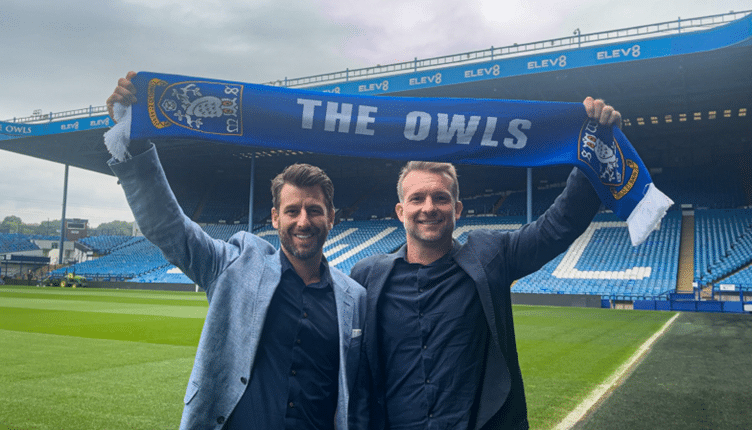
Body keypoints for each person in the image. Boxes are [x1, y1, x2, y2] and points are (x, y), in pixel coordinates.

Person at [106, 72, 366, 430]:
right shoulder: (234, 265)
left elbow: (360, 392)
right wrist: (133, 142)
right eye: (292, 210)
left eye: (315, 210)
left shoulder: (355, 298)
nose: (303, 221)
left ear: (332, 218)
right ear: (275, 218)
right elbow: (169, 228)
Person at [349, 98, 621, 430]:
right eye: (416, 198)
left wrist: (594, 148)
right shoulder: (367, 275)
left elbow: (558, 226)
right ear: (400, 211)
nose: (429, 207)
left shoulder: (491, 255)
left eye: (441, 197)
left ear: (458, 209)